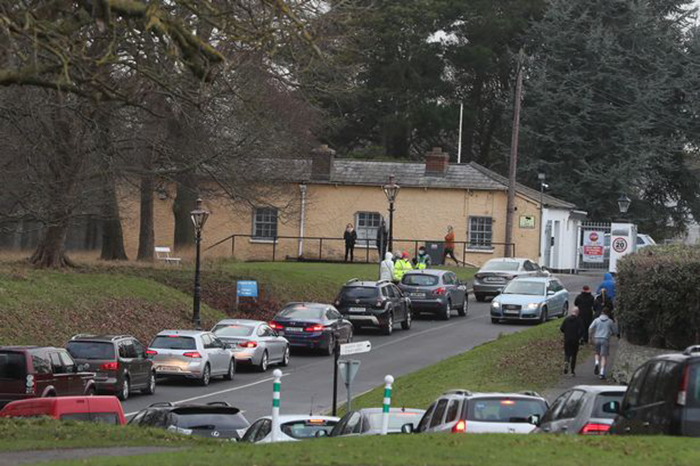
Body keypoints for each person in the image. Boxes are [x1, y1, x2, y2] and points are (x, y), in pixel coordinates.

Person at [589, 308, 619, 380]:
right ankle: (602, 373)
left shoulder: (597, 320)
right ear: (608, 314)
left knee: (597, 353)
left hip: (597, 338)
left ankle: (596, 363)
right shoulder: (610, 321)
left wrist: (590, 337)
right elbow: (615, 331)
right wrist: (613, 333)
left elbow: (590, 328)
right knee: (603, 356)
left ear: (602, 312)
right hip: (605, 339)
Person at [560, 307, 584, 376]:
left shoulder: (566, 319)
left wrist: (566, 333)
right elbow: (582, 330)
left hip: (567, 339)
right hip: (575, 340)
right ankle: (572, 371)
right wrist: (579, 337)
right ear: (578, 312)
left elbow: (561, 328)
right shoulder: (579, 320)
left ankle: (566, 361)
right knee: (574, 355)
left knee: (567, 353)